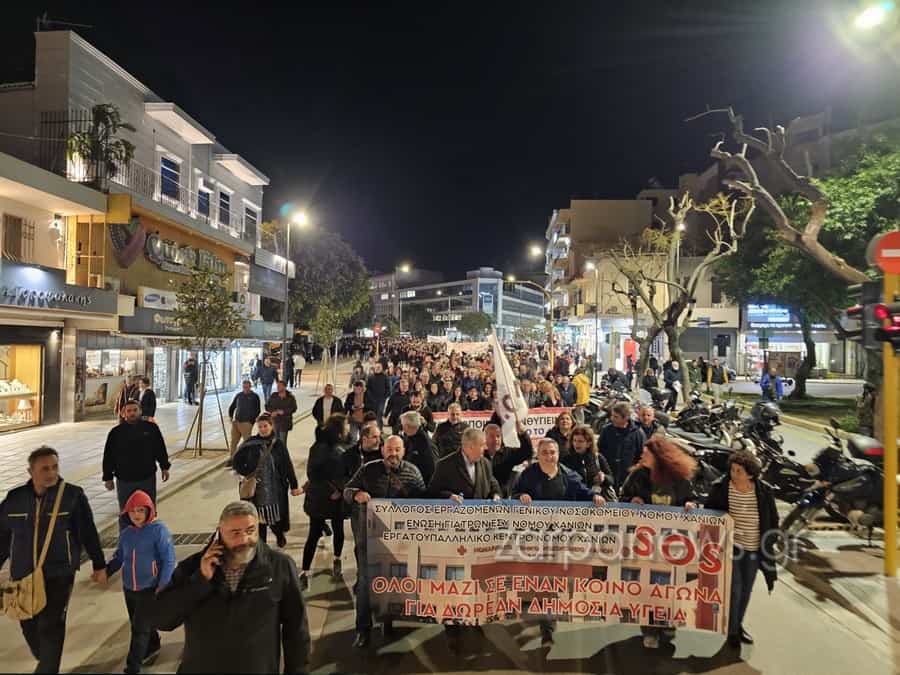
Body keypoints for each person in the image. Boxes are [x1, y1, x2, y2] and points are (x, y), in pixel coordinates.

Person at [150, 501, 310, 673]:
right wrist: (200, 581)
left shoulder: (279, 567)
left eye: (250, 531)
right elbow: (163, 620)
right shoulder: (192, 568)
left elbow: (296, 630)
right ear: (220, 532)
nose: (244, 540)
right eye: (235, 533)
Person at [0, 446, 107, 673]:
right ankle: (47, 658)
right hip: (23, 574)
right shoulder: (15, 499)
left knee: (51, 625)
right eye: (45, 469)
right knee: (29, 625)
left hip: (59, 573)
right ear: (31, 472)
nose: (51, 473)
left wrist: (99, 564)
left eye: (55, 467)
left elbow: (87, 532)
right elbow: (1, 537)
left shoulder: (72, 496)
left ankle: (47, 666)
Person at [512, 438, 606, 645]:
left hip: (562, 540)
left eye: (552, 452)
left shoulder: (568, 475)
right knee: (542, 584)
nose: (549, 456)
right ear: (538, 455)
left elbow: (583, 492)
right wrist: (521, 496)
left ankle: (549, 622)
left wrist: (595, 497)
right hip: (536, 540)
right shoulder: (527, 475)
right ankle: (547, 625)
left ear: (558, 454)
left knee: (554, 582)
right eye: (545, 452)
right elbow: (514, 494)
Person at [344, 435, 426, 648]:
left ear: (404, 451)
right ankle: (363, 630)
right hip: (368, 540)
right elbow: (347, 491)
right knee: (364, 583)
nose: (393, 454)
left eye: (397, 449)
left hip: (398, 543)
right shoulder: (367, 469)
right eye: (389, 449)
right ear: (382, 451)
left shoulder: (413, 473)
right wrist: (357, 494)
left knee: (391, 583)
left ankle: (386, 621)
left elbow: (424, 504)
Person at [427, 427, 502, 652]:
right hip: (454, 535)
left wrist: (496, 495)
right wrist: (447, 497)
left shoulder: (485, 463)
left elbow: (493, 483)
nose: (485, 449)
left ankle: (474, 617)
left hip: (479, 534)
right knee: (454, 581)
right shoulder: (446, 465)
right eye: (482, 445)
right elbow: (431, 492)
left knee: (476, 579)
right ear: (469, 446)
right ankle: (452, 628)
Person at [620, 436, 698, 649]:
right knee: (648, 585)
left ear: (658, 456)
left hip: (672, 543)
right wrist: (631, 500)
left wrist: (691, 504)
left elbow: (691, 498)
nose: (642, 456)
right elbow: (622, 498)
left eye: (646, 453)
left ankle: (666, 622)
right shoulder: (637, 476)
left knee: (667, 586)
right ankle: (650, 629)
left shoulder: (678, 476)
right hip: (644, 542)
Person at [703, 450, 779, 650]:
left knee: (746, 589)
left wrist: (770, 540)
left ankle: (737, 624)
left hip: (754, 549)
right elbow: (709, 513)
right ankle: (733, 632)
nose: (733, 474)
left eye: (739, 471)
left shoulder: (764, 491)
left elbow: (773, 519)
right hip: (730, 547)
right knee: (735, 589)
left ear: (750, 474)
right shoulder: (721, 487)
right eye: (732, 469)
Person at [104, 490, 176, 674]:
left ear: (149, 511)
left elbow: (168, 559)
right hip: (129, 588)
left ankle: (133, 667)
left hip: (149, 588)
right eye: (132, 511)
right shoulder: (126, 534)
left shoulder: (158, 530)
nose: (136, 515)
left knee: (139, 630)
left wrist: (163, 583)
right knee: (138, 623)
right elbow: (119, 557)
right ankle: (153, 645)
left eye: (141, 510)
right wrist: (106, 571)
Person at [233, 413, 301, 548]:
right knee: (259, 519)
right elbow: (237, 461)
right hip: (257, 490)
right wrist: (246, 473)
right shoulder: (251, 443)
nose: (263, 429)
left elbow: (287, 465)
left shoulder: (278, 444)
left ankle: (279, 534)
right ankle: (262, 547)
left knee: (276, 517)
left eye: (265, 426)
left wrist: (294, 485)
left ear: (271, 426)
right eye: (260, 427)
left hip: (276, 489)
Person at [103, 400, 170, 530]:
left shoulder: (151, 428)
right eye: (129, 411)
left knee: (148, 510)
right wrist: (108, 477)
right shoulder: (116, 433)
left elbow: (160, 448)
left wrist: (164, 466)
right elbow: (109, 456)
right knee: (126, 512)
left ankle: (150, 537)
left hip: (147, 478)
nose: (132, 413)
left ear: (140, 411)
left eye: (135, 410)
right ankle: (127, 539)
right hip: (125, 480)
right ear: (124, 414)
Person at [301, 414, 351, 589]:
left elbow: (311, 474)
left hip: (317, 497)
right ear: (339, 428)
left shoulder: (316, 446)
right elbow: (345, 474)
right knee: (337, 529)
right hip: (332, 497)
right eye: (346, 425)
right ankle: (336, 560)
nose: (348, 428)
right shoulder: (340, 450)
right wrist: (338, 490)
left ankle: (305, 571)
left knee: (313, 534)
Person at [598, 401, 646, 490]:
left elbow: (642, 456)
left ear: (626, 418)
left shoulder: (637, 433)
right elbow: (599, 452)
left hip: (627, 479)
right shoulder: (607, 430)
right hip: (609, 477)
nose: (612, 419)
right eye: (612, 416)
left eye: (616, 417)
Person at [561, 425, 616, 501]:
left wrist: (604, 478)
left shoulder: (598, 457)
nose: (576, 444)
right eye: (574, 440)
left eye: (580, 441)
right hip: (575, 502)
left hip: (596, 502)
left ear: (589, 443)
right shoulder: (566, 459)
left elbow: (611, 479)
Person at [482, 423, 533, 496]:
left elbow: (527, 452)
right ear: (485, 438)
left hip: (502, 498)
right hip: (481, 499)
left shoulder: (508, 454)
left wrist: (522, 434)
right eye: (492, 436)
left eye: (498, 436)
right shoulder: (479, 455)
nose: (495, 439)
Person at [227, 381, 261, 466]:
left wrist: (251, 421)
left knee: (247, 442)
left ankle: (246, 459)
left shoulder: (254, 396)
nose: (245, 389)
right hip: (236, 422)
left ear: (250, 387)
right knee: (233, 441)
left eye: (247, 387)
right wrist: (231, 416)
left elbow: (258, 410)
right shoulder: (239, 395)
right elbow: (232, 407)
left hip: (246, 423)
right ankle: (232, 459)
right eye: (244, 387)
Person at [400, 410, 438, 484]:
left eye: (402, 425)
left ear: (407, 426)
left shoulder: (425, 444)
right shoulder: (410, 437)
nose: (402, 428)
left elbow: (433, 468)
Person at [266, 380, 298, 447]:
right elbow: (267, 406)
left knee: (282, 443)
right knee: (275, 442)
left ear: (284, 387)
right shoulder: (274, 396)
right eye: (277, 386)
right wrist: (272, 412)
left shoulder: (290, 397)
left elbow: (294, 408)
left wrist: (284, 412)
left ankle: (283, 453)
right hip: (274, 422)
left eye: (280, 386)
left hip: (284, 423)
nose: (278, 387)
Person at [365, 362, 391, 429]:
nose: (377, 368)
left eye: (379, 367)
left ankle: (379, 429)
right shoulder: (370, 377)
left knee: (379, 415)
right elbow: (368, 388)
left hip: (381, 400)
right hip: (372, 400)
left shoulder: (385, 377)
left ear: (382, 368)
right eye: (376, 367)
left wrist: (384, 397)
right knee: (372, 415)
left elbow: (388, 389)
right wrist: (370, 397)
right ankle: (372, 428)